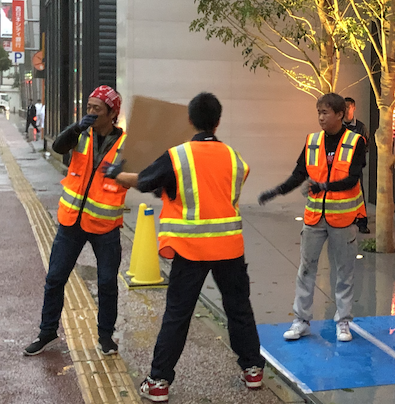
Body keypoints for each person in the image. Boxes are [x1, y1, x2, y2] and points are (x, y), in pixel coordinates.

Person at [109, 92, 266, 402]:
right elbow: (219, 192)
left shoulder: (178, 156)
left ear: (191, 120)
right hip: (229, 247)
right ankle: (253, 370)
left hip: (191, 249)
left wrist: (119, 175)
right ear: (217, 122)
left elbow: (145, 181)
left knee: (178, 315)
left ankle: (159, 381)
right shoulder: (235, 158)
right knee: (239, 308)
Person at [24, 85, 127, 357]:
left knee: (107, 283)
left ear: (112, 113)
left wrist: (124, 173)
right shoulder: (81, 134)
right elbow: (58, 146)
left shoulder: (125, 144)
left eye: (97, 108)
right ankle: (47, 332)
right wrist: (75, 128)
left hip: (105, 226)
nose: (90, 112)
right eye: (89, 107)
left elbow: (137, 176)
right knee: (55, 277)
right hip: (71, 221)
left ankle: (106, 337)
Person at [258, 93, 366, 343]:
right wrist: (277, 191)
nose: (320, 117)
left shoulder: (356, 141)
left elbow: (353, 178)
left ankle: (343, 321)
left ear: (340, 114)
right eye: (318, 112)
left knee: (344, 272)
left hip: (343, 219)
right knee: (306, 269)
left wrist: (324, 186)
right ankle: (301, 321)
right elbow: (299, 173)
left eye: (325, 112)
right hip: (314, 217)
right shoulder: (312, 141)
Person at [343, 97, 371, 234]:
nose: (346, 110)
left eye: (348, 107)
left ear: (354, 108)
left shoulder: (360, 127)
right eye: (344, 107)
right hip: (341, 167)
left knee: (359, 194)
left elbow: (366, 145)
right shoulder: (338, 126)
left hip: (355, 167)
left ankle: (362, 223)